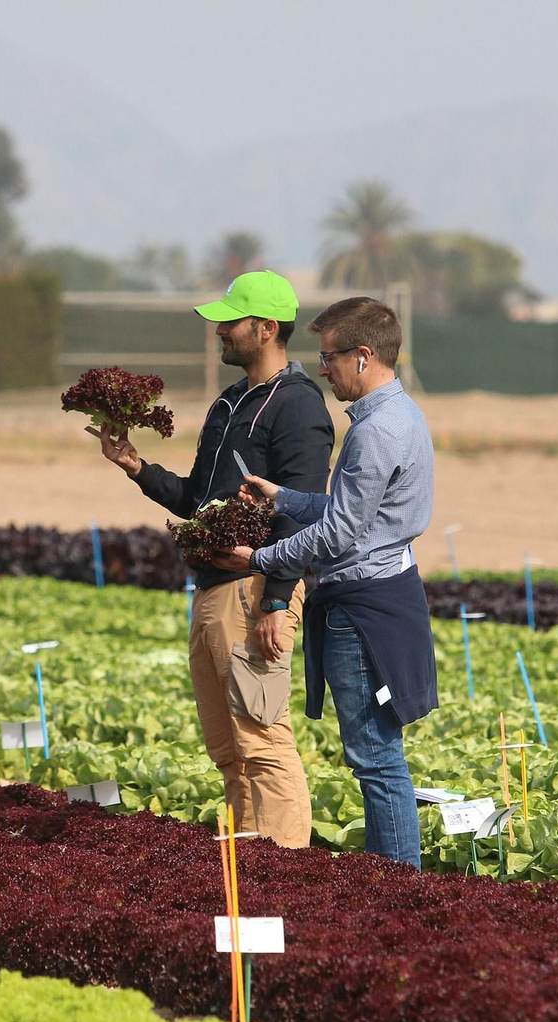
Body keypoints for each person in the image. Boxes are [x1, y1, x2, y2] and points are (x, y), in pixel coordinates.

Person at [91, 270, 333, 848]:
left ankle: (285, 869)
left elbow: (301, 509)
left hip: (255, 589)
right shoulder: (229, 402)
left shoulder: (297, 405)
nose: (219, 331)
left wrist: (277, 601)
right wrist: (135, 466)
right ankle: (247, 867)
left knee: (261, 738)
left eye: (231, 322)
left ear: (267, 328)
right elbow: (197, 500)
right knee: (228, 748)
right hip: (211, 589)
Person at [211, 296, 437, 866]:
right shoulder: (399, 414)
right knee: (377, 756)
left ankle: (397, 882)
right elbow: (350, 510)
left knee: (374, 758)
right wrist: (283, 498)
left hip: (361, 609)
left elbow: (339, 533)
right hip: (384, 593)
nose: (322, 368)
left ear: (363, 356)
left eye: (330, 356)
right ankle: (394, 878)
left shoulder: (376, 431)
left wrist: (260, 560)